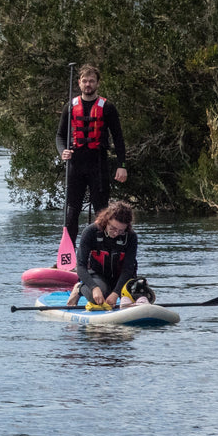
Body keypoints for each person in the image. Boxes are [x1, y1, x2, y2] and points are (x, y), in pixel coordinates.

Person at [56, 64, 128, 246]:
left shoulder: (107, 107)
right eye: (85, 81)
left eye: (91, 81)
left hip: (98, 164)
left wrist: (122, 165)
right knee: (71, 212)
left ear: (97, 83)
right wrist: (62, 150)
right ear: (79, 83)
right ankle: (68, 254)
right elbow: (59, 135)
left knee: (102, 212)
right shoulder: (70, 107)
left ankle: (102, 251)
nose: (88, 84)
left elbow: (118, 138)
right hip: (75, 165)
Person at [70, 200, 141, 307]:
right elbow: (80, 266)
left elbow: (128, 269)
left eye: (121, 230)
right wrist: (94, 288)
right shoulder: (90, 232)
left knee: (141, 293)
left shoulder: (131, 237)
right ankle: (79, 288)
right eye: (113, 228)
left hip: (121, 277)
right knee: (99, 296)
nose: (116, 233)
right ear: (106, 221)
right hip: (97, 277)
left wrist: (116, 293)